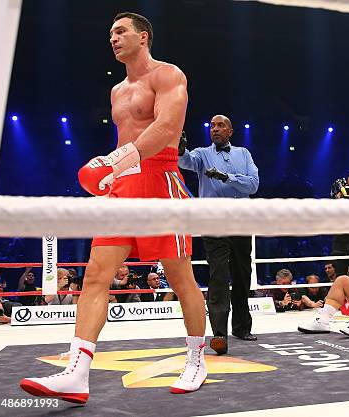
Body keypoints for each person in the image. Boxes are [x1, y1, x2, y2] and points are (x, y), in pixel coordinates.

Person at [20, 12, 207, 403]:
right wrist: (110, 171)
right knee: (94, 277)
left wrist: (114, 162)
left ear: (144, 37)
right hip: (123, 184)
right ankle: (77, 372)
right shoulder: (118, 91)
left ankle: (196, 358)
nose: (113, 38)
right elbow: (129, 138)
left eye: (120, 31)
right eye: (110, 34)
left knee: (179, 277)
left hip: (160, 180)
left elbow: (167, 130)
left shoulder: (168, 75)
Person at [178, 115, 259, 355]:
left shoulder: (243, 154)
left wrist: (227, 177)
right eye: (212, 126)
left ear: (231, 131)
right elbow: (186, 161)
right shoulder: (202, 154)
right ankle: (219, 334)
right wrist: (180, 149)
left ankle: (242, 327)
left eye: (220, 125)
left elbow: (253, 185)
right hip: (213, 222)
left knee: (243, 276)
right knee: (218, 277)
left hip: (241, 222)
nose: (215, 129)